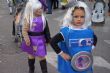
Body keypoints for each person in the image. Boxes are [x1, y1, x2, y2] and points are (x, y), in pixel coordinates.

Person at [50, 1, 97, 73]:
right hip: (69, 66)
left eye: (82, 17)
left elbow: (95, 38)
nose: (79, 19)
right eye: (76, 16)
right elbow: (53, 41)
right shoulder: (66, 32)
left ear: (86, 16)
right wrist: (62, 53)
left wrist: (91, 47)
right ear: (71, 16)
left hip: (85, 64)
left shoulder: (88, 31)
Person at [21, 0, 51, 73]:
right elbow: (24, 30)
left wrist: (48, 40)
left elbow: (46, 30)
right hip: (31, 40)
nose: (41, 10)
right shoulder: (28, 18)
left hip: (40, 40)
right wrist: (27, 39)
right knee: (31, 55)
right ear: (32, 10)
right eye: (38, 9)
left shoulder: (43, 18)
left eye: (41, 8)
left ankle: (44, 71)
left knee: (42, 56)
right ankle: (31, 70)